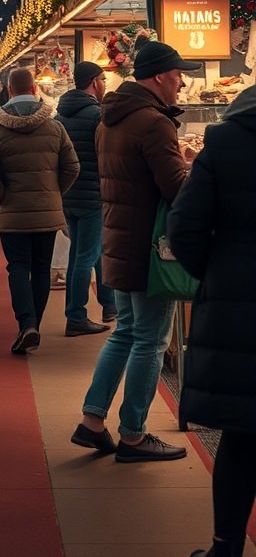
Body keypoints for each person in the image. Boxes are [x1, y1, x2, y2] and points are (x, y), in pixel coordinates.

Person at [71, 40, 200, 462]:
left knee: (127, 332)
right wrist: (192, 167)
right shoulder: (153, 122)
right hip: (148, 248)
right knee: (151, 338)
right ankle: (133, 434)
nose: (182, 83)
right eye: (179, 74)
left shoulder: (112, 118)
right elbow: (177, 189)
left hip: (120, 239)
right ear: (161, 75)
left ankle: (92, 421)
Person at [168, 85, 256, 557]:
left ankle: (226, 547)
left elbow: (183, 227)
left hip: (237, 305)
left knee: (242, 437)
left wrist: (218, 273)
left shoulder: (224, 143)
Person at [0, 67, 80, 355]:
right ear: (34, 90)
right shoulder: (54, 126)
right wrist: (54, 193)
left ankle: (26, 324)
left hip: (13, 213)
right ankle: (34, 324)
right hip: (47, 213)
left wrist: (3, 194)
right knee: (41, 268)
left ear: (9, 91)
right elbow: (73, 167)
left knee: (18, 267)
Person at [55, 61, 116, 335]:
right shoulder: (98, 116)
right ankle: (76, 316)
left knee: (86, 251)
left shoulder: (60, 117)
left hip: (70, 194)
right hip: (94, 195)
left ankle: (109, 303)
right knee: (87, 255)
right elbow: (107, 156)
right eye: (103, 79)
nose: (105, 84)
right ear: (95, 82)